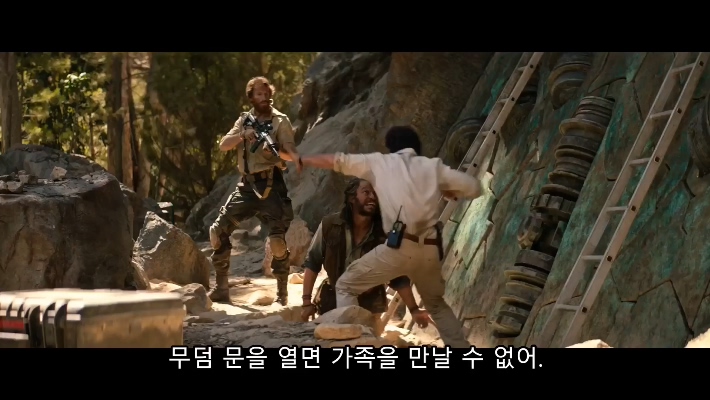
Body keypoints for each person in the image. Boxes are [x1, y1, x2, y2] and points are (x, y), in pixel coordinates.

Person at [297, 125, 482, 348]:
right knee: (435, 303)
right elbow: (473, 187)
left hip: (402, 244)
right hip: (430, 249)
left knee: (346, 284)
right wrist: (445, 189)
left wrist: (303, 159)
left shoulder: (381, 163)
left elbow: (337, 160)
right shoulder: (432, 167)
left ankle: (354, 345)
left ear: (390, 147)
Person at [209, 76, 301, 306]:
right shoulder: (244, 120)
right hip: (247, 186)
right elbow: (223, 145)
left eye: (267, 94)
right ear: (251, 97)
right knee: (218, 231)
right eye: (259, 94)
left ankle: (282, 292)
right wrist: (243, 135)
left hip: (271, 185)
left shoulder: (281, 120)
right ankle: (221, 288)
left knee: (277, 241)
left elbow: (291, 152)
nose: (264, 98)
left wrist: (277, 152)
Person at [299, 177, 429, 335]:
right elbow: (313, 262)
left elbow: (398, 277)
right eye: (366, 192)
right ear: (352, 198)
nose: (372, 197)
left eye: (375, 193)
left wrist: (414, 309)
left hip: (370, 308)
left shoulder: (384, 233)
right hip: (332, 304)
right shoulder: (330, 226)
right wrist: (306, 302)